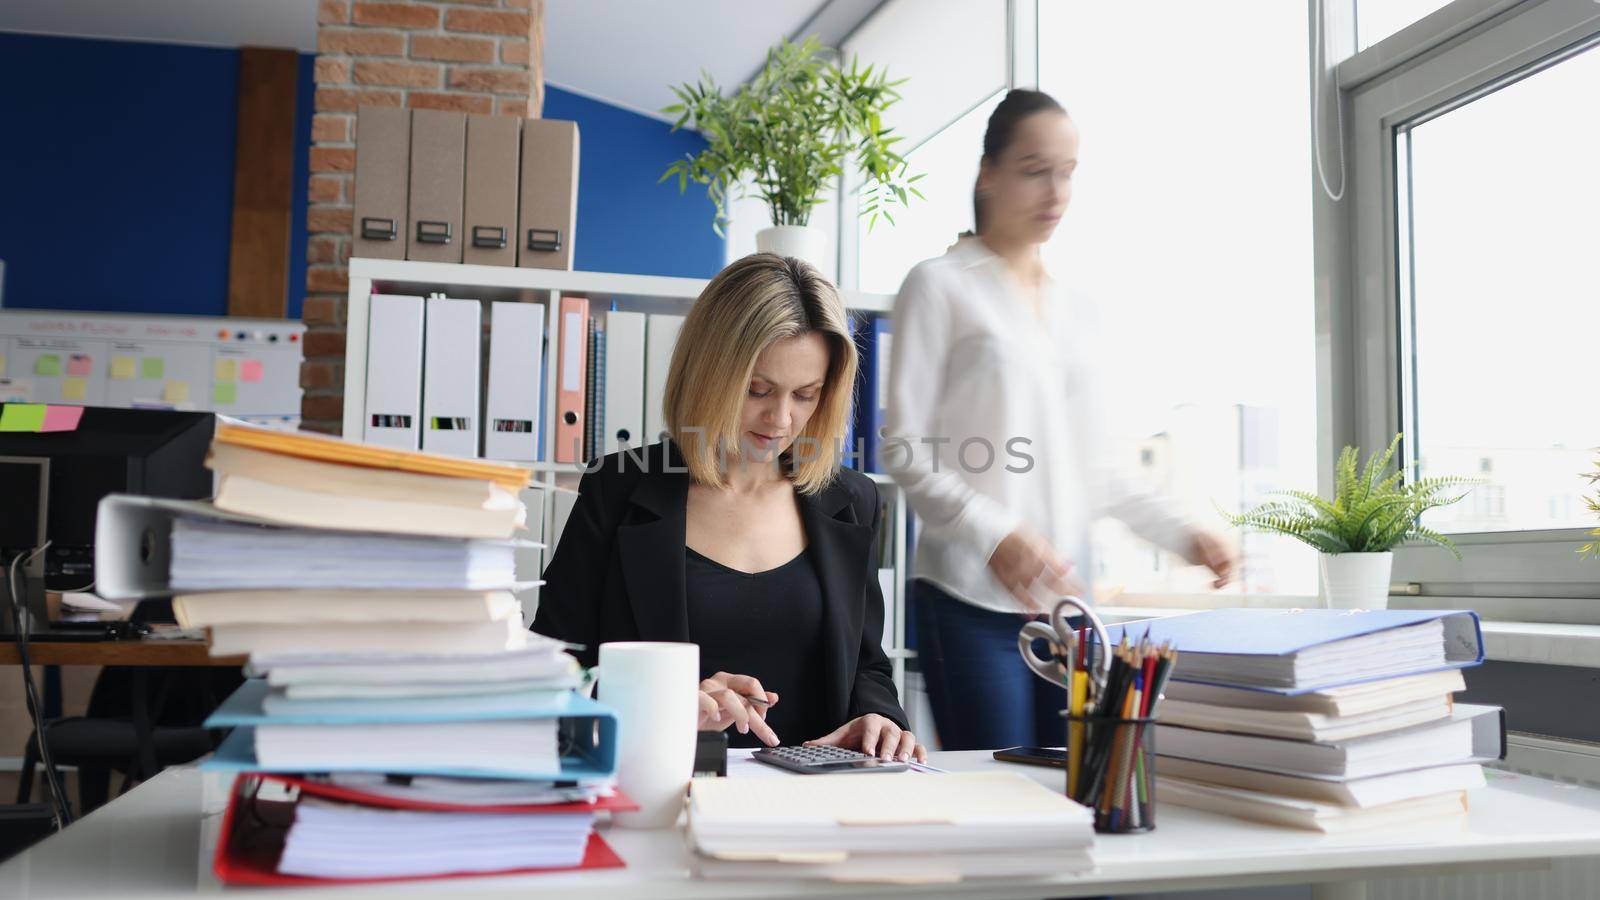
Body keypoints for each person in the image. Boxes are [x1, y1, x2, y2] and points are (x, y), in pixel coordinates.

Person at [883, 89, 1236, 751]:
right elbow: (903, 449)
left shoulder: (1082, 312)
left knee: (1074, 800)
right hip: (966, 600)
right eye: (1034, 168)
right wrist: (998, 533)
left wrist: (1186, 534)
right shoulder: (939, 284)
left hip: (1071, 612)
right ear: (987, 173)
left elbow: (1097, 470)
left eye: (1068, 171)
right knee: (1001, 811)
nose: (1056, 190)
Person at [533, 253, 926, 762]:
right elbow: (554, 670)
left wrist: (882, 720)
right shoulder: (618, 488)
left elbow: (867, 665)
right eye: (757, 390)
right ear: (708, 374)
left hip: (813, 803)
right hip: (663, 784)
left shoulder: (851, 500)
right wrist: (664, 703)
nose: (781, 419)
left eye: (805, 395)